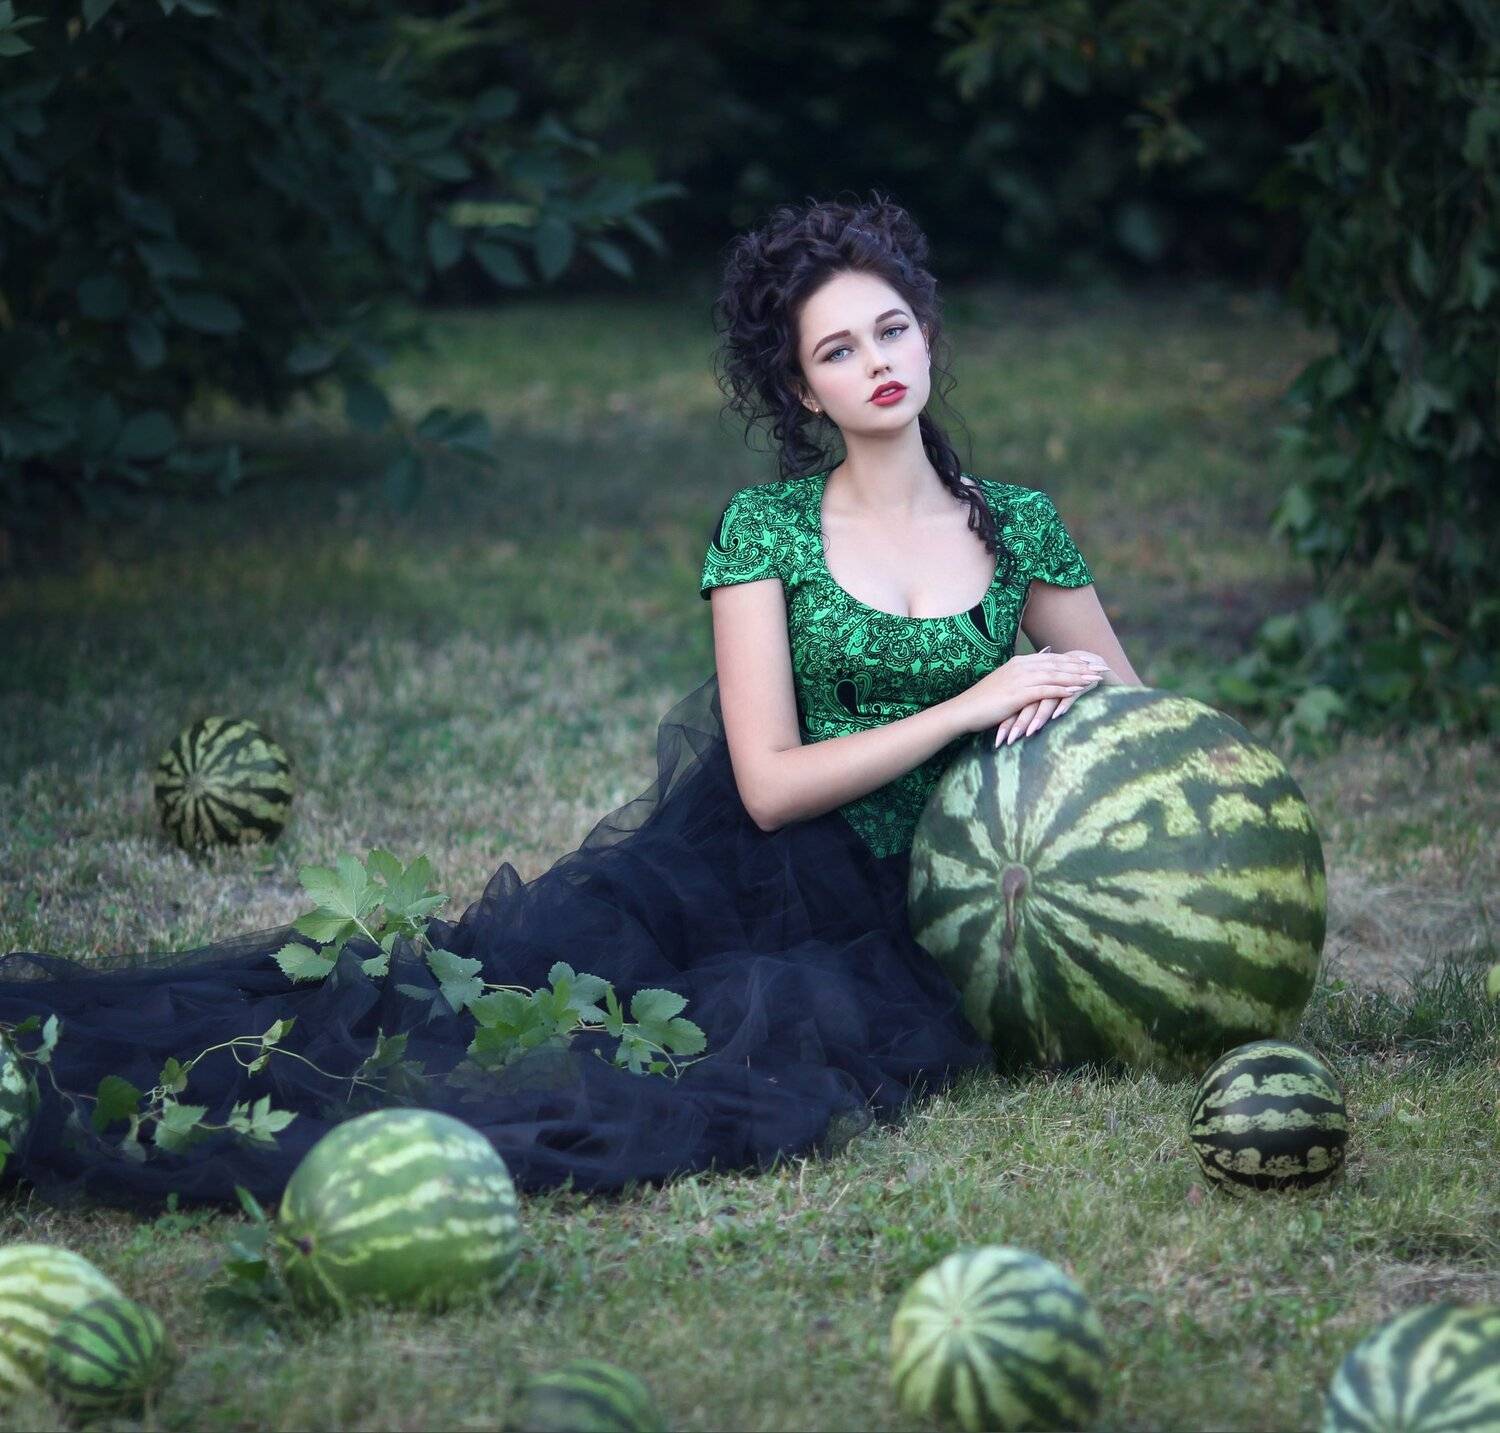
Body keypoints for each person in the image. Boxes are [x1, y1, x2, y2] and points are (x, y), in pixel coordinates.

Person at [0, 193, 1140, 1213]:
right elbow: (772, 784)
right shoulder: (769, 533)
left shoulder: (1018, 523)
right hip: (787, 882)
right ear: (804, 388)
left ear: (928, 333)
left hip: (985, 884)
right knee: (527, 1047)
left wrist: (1067, 720)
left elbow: (1138, 725)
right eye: (838, 349)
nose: (878, 361)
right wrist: (969, 704)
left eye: (892, 329)